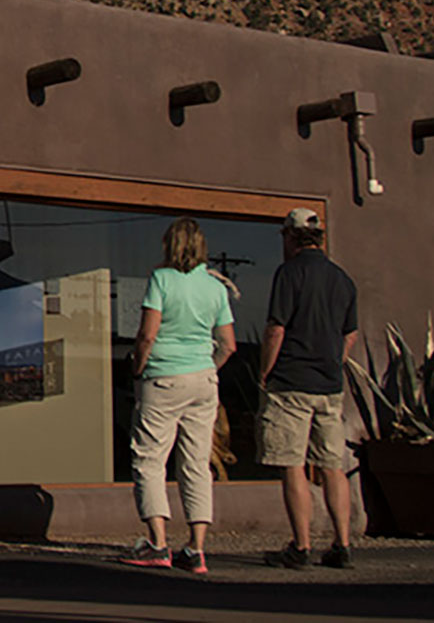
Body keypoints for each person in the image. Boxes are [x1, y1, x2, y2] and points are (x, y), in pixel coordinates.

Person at [124, 217, 236, 574]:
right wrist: (208, 369)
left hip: (163, 377)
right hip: (203, 379)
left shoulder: (161, 280)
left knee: (150, 459)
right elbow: (229, 344)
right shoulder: (215, 286)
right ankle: (196, 548)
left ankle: (158, 543)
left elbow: (147, 335)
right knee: (196, 463)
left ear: (168, 246)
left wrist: (138, 368)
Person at [258, 208, 358, 569]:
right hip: (329, 385)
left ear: (290, 236)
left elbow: (276, 329)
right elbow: (350, 334)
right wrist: (335, 361)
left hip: (292, 382)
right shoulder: (342, 279)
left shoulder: (289, 274)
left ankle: (300, 546)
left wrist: (265, 372)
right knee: (333, 465)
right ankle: (342, 543)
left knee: (292, 464)